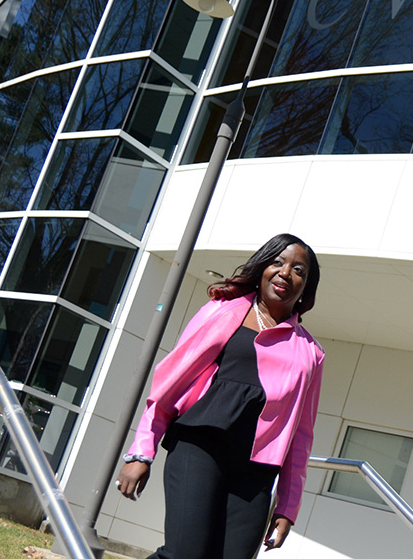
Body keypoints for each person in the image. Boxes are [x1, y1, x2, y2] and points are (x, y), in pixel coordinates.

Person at [115, 233, 324, 559]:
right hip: (200, 446)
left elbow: (301, 434)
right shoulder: (222, 311)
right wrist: (142, 451)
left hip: (256, 472)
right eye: (278, 262)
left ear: (306, 287)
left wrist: (287, 506)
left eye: (299, 270)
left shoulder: (310, 352)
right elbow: (170, 384)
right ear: (263, 267)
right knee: (185, 554)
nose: (286, 273)